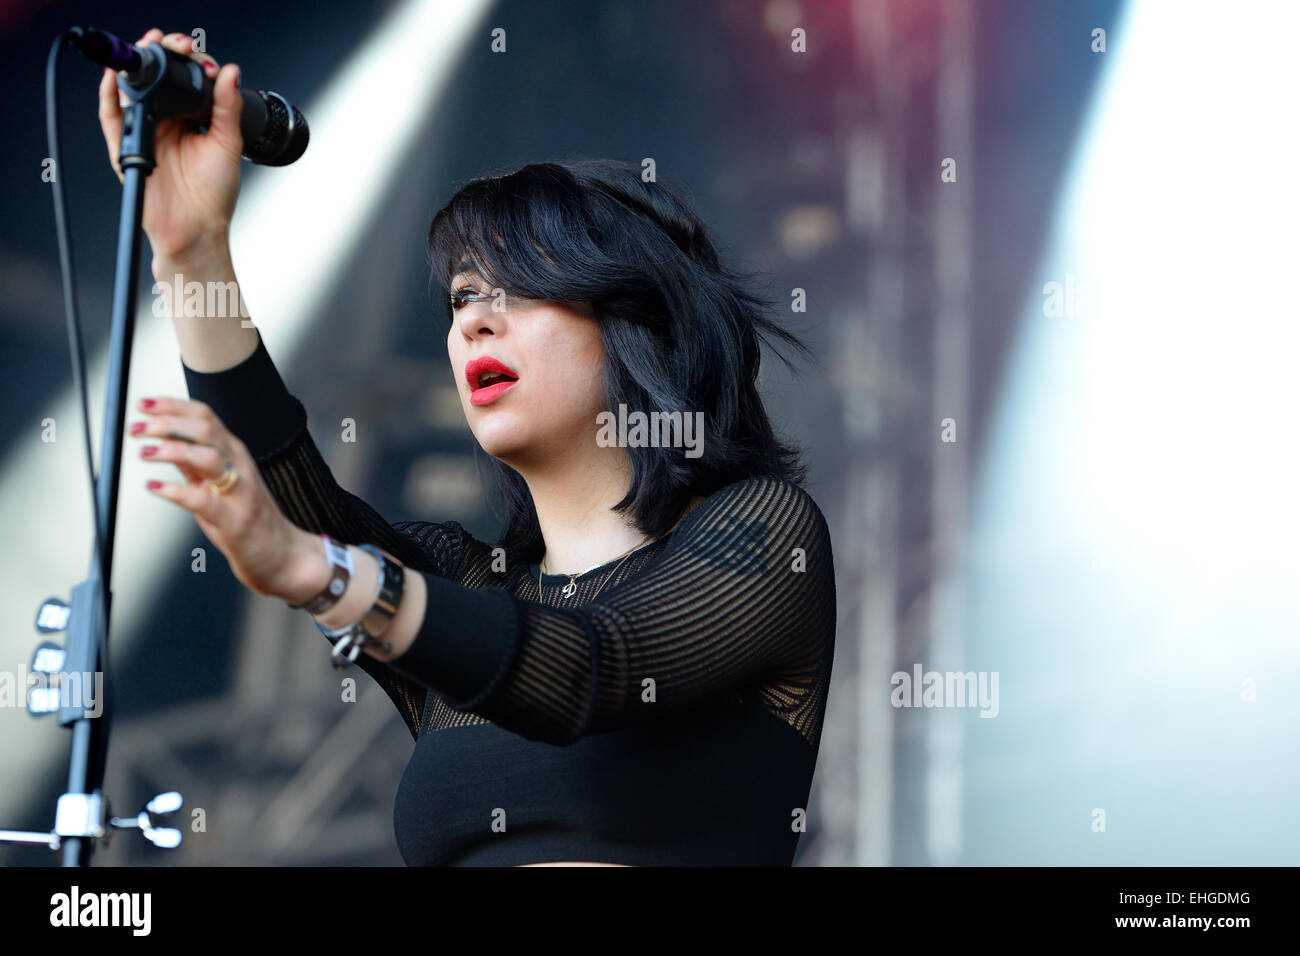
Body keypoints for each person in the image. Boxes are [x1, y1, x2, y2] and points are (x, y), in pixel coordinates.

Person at [100, 29, 837, 866]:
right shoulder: (461, 585)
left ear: (636, 317)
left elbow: (592, 668)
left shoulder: (765, 533)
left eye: (521, 286)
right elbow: (281, 492)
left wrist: (321, 571)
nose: (474, 320)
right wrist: (192, 251)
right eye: (462, 296)